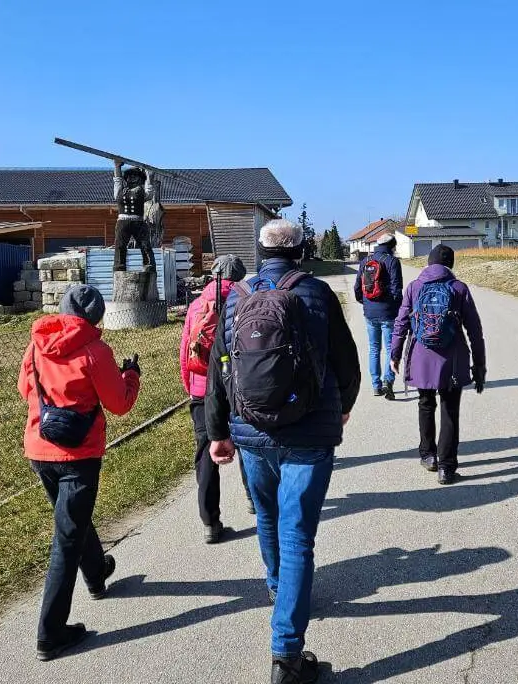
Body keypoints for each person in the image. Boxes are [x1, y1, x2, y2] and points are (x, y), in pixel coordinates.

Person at [205, 219, 360, 684]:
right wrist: (343, 407)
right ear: (301, 252)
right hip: (309, 434)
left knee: (268, 518)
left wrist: (218, 432)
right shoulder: (317, 294)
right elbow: (347, 362)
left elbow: (219, 369)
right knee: (297, 537)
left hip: (251, 431)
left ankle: (279, 589)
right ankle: (287, 656)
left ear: (259, 251)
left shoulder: (237, 297)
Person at [17, 285, 142, 661]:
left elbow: (25, 389)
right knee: (66, 538)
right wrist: (131, 376)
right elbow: (119, 404)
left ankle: (97, 573)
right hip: (79, 454)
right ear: (97, 316)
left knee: (72, 520)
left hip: (40, 447)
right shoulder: (96, 350)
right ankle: (50, 633)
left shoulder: (37, 343)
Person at [391, 245, 486, 484]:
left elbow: (401, 323)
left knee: (425, 404)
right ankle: (447, 467)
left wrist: (395, 354)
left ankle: (428, 455)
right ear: (450, 264)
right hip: (452, 358)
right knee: (450, 410)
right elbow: (474, 329)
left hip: (421, 355)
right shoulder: (459, 288)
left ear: (428, 263)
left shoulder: (414, 287)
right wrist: (479, 363)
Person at [180, 254, 255, 543]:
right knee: (247, 444)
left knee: (206, 453)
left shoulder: (197, 304)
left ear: (213, 275)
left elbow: (185, 350)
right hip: (238, 386)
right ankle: (254, 499)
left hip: (202, 390)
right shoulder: (246, 300)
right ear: (240, 275)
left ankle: (210, 522)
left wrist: (191, 387)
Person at [353, 232, 403, 399]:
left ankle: (376, 385)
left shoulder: (365, 261)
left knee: (374, 348)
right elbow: (397, 290)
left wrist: (365, 303)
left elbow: (357, 288)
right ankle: (388, 381)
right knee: (390, 348)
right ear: (392, 246)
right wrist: (398, 310)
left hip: (369, 312)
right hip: (388, 313)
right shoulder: (393, 261)